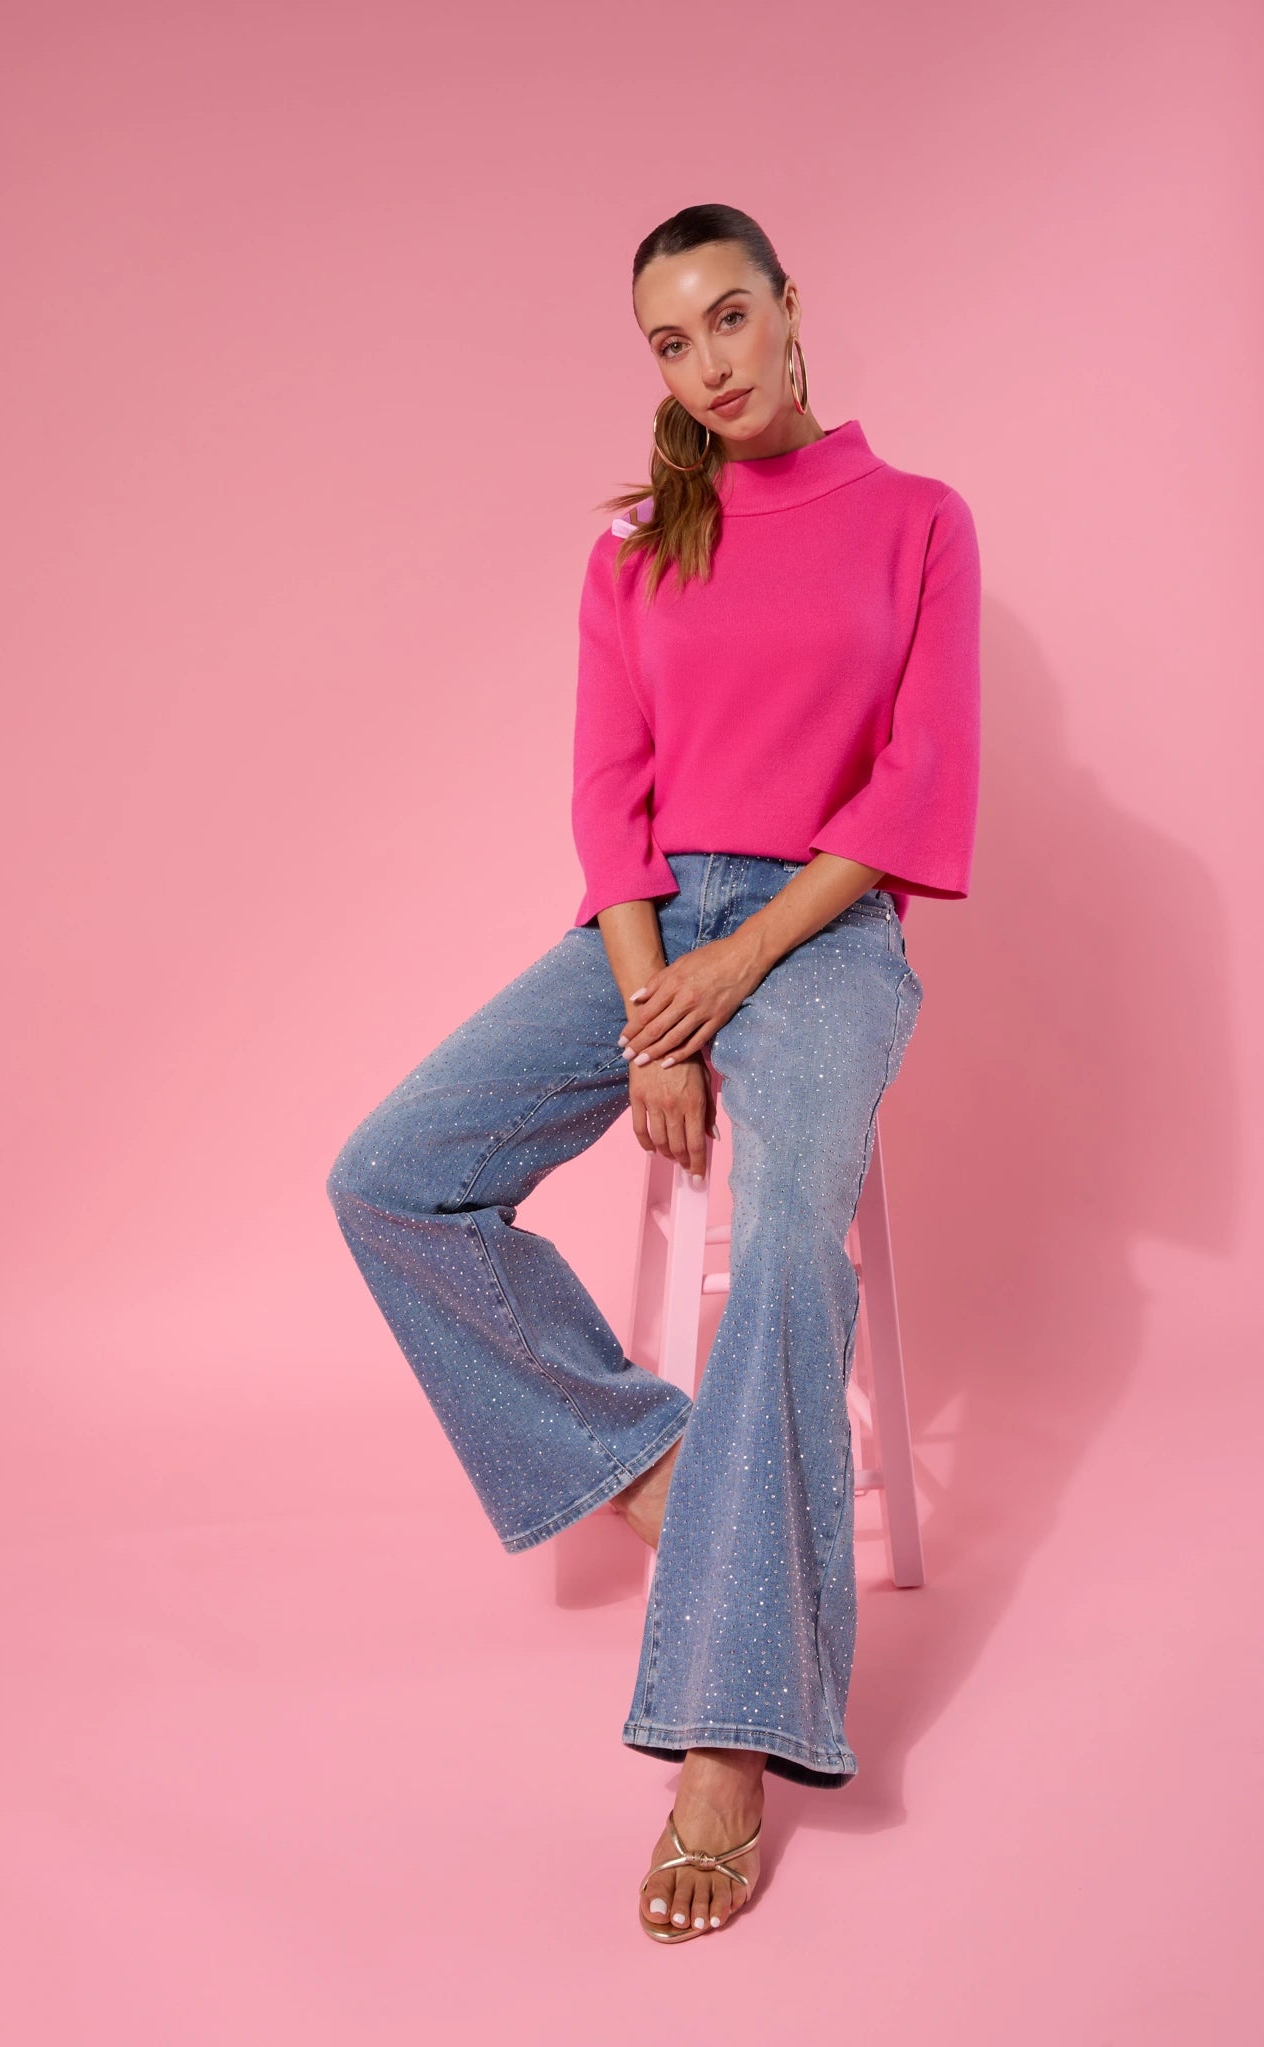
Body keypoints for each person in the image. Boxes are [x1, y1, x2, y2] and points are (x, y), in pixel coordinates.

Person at [325, 201, 981, 1944]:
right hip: (647, 927)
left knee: (779, 1246)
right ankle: (667, 1484)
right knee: (388, 1175)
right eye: (670, 345)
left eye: (728, 319)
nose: (709, 366)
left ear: (788, 306)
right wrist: (647, 1008)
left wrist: (727, 979)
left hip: (821, 938)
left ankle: (725, 1745)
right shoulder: (635, 545)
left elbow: (911, 793)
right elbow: (607, 804)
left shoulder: (918, 521)